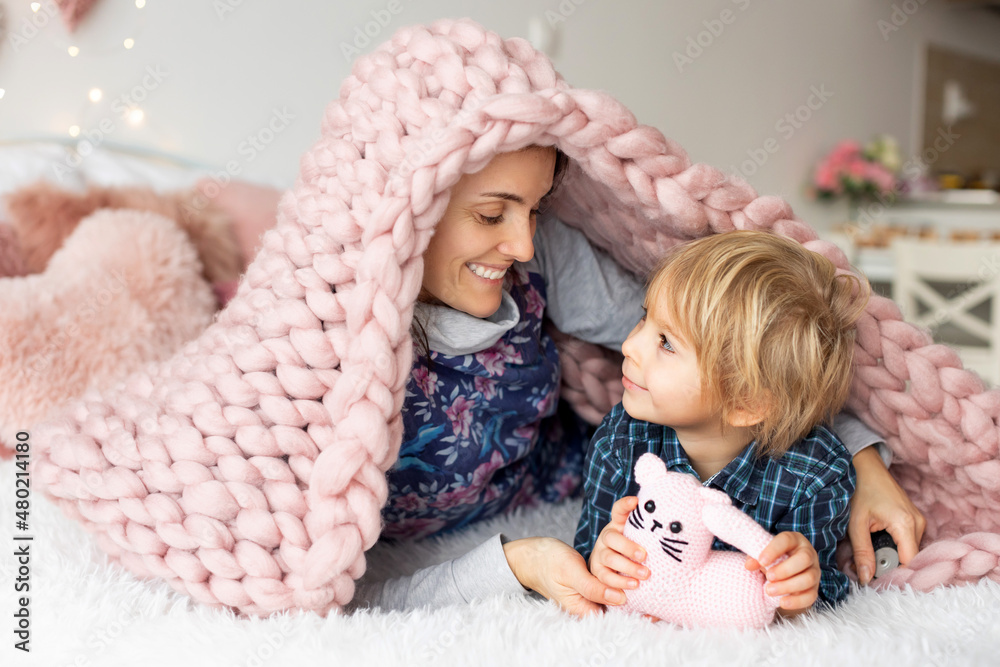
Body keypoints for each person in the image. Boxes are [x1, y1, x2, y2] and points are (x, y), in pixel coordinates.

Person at [350, 145, 926, 615]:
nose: (523, 244)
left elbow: (747, 358)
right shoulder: (329, 347)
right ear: (409, 208)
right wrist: (539, 562)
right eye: (491, 213)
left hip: (546, 477)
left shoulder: (540, 259)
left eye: (536, 209)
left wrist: (863, 461)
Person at [575, 230, 867, 617]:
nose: (629, 346)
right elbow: (586, 554)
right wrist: (604, 557)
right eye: (644, 319)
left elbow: (823, 590)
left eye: (665, 342)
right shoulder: (621, 439)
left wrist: (798, 586)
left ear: (745, 402)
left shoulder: (814, 474)